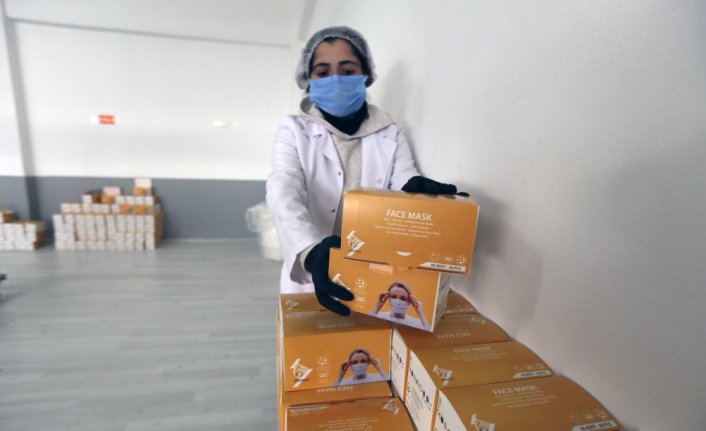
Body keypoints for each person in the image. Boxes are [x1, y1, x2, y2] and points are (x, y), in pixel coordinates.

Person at [266, 26, 466, 315]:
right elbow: (283, 188)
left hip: (375, 267)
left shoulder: (390, 130)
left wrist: (415, 187)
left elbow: (402, 175)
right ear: (308, 79)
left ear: (366, 75)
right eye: (323, 72)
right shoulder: (294, 129)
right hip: (316, 265)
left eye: (347, 70)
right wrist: (309, 250)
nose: (335, 79)